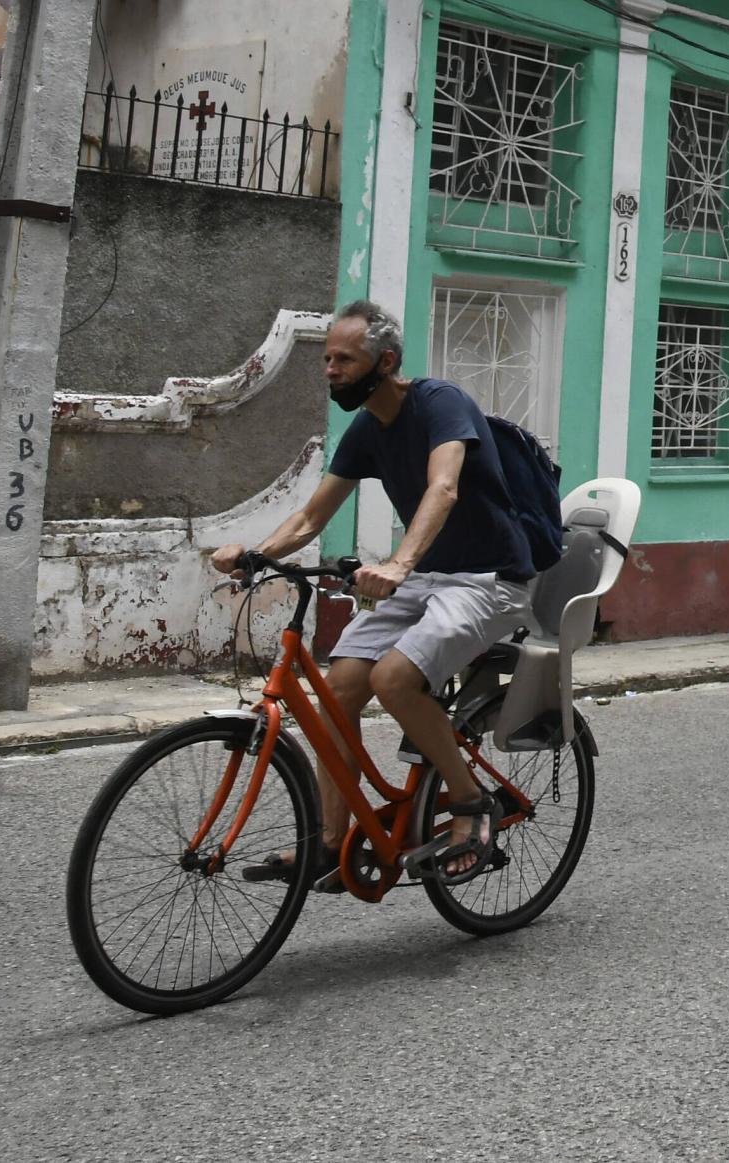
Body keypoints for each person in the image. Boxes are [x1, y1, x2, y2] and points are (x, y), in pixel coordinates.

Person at [211, 301, 537, 890]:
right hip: (425, 581)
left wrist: (399, 563)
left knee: (392, 679)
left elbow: (444, 485)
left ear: (385, 362)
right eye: (327, 358)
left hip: (491, 580)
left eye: (344, 358)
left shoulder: (441, 403)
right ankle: (331, 842)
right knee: (337, 691)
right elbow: (312, 517)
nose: (330, 369)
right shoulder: (366, 428)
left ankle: (470, 802)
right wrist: (258, 555)